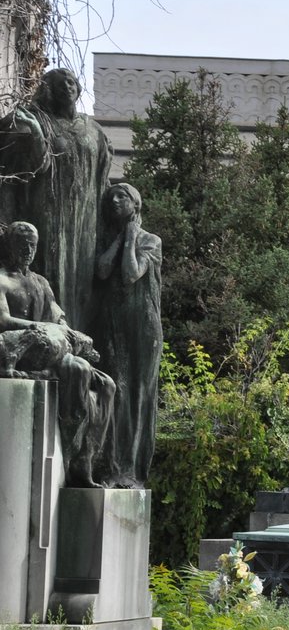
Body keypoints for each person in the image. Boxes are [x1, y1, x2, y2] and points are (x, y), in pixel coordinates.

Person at [0, 220, 114, 486]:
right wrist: (42, 326)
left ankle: (86, 456)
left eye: (32, 245)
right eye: (22, 244)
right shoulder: (2, 279)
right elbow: (3, 320)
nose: (28, 250)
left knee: (107, 385)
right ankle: (72, 451)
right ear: (9, 245)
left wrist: (68, 331)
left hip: (53, 345)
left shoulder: (40, 282)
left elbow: (57, 315)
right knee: (79, 370)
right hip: (25, 347)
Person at [0, 67, 113, 331]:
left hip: (85, 223)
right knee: (45, 269)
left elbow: (103, 181)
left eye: (72, 82)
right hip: (44, 213)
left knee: (83, 285)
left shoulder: (94, 130)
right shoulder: (33, 119)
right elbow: (14, 166)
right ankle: (51, 340)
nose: (68, 88)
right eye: (60, 84)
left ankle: (78, 342)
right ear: (47, 89)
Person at [89, 182, 161, 488]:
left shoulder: (151, 240)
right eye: (112, 198)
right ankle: (111, 467)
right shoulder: (110, 240)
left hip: (143, 328)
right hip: (115, 324)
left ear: (136, 205)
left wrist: (131, 237)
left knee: (137, 396)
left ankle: (131, 471)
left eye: (123, 197)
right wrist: (121, 239)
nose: (115, 201)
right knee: (115, 391)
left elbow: (131, 273)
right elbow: (103, 271)